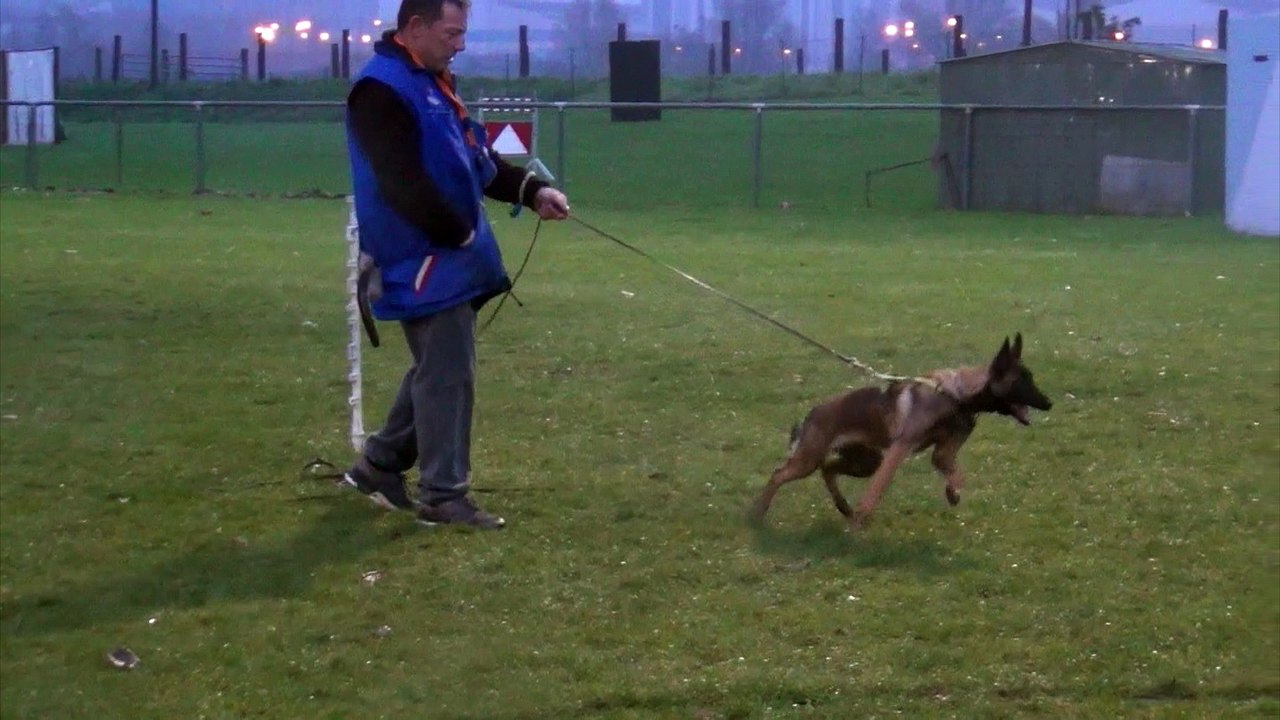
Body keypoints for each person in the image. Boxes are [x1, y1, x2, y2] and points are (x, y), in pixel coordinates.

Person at [342, 0, 570, 529]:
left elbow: (479, 163)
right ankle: (444, 497)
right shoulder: (380, 90)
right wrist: (457, 231)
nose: (460, 43)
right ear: (415, 27)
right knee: (447, 374)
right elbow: (399, 183)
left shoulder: (437, 84)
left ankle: (379, 465)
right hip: (419, 259)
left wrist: (533, 191)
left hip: (452, 258)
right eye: (452, 32)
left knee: (437, 368)